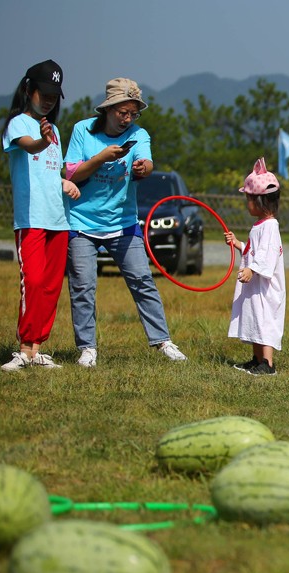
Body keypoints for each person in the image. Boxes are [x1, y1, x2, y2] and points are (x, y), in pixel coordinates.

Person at [64, 78, 186, 367]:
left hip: (124, 222)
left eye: (133, 113)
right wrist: (102, 157)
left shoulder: (138, 134)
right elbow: (71, 174)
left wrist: (144, 168)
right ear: (108, 109)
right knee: (83, 286)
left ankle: (163, 341)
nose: (128, 119)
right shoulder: (82, 131)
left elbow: (147, 162)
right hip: (81, 223)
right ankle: (87, 348)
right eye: (123, 112)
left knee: (143, 281)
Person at [1, 60, 80, 371]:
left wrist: (65, 182)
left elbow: (49, 170)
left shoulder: (56, 130)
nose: (48, 100)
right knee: (32, 281)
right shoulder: (17, 124)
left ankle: (36, 350)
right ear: (27, 90)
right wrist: (42, 141)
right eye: (43, 93)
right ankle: (22, 348)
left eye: (53, 95)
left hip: (58, 219)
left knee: (49, 286)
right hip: (31, 219)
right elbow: (31, 148)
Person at [224, 158, 285, 376]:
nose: (246, 203)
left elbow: (267, 255)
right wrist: (238, 244)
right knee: (254, 319)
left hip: (265, 288)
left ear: (260, 202)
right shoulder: (259, 226)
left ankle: (267, 364)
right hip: (256, 286)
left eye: (248, 199)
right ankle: (257, 359)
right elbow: (253, 251)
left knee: (264, 321)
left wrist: (252, 269)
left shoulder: (270, 227)